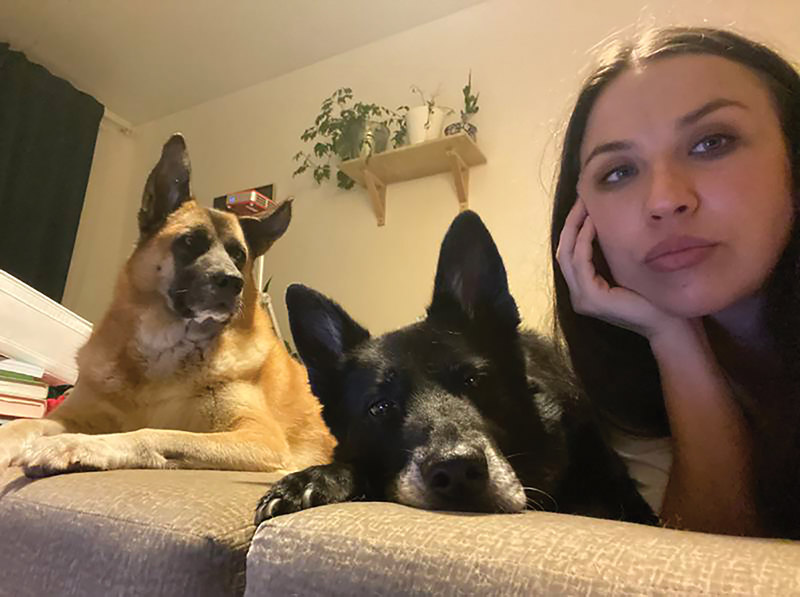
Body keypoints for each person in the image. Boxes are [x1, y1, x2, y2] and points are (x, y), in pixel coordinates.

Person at [551, 26, 800, 537]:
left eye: (712, 142)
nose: (664, 200)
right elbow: (700, 571)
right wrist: (674, 339)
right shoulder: (613, 399)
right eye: (618, 172)